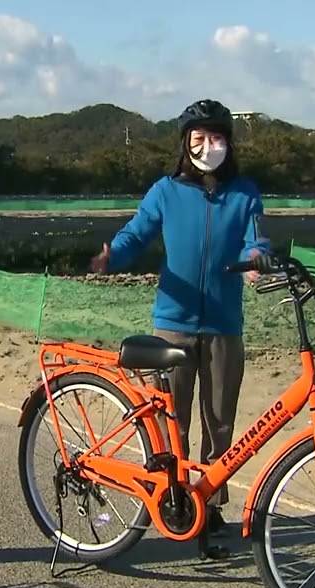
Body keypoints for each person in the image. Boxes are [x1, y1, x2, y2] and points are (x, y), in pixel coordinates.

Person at [91, 98, 271, 561]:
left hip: (224, 326)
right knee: (172, 420)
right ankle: (173, 499)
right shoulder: (166, 191)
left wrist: (256, 261)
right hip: (171, 324)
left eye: (216, 138)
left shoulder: (246, 193)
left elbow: (257, 240)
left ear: (229, 145)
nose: (208, 147)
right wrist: (113, 256)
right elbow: (137, 232)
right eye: (199, 139)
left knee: (219, 421)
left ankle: (209, 506)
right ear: (185, 145)